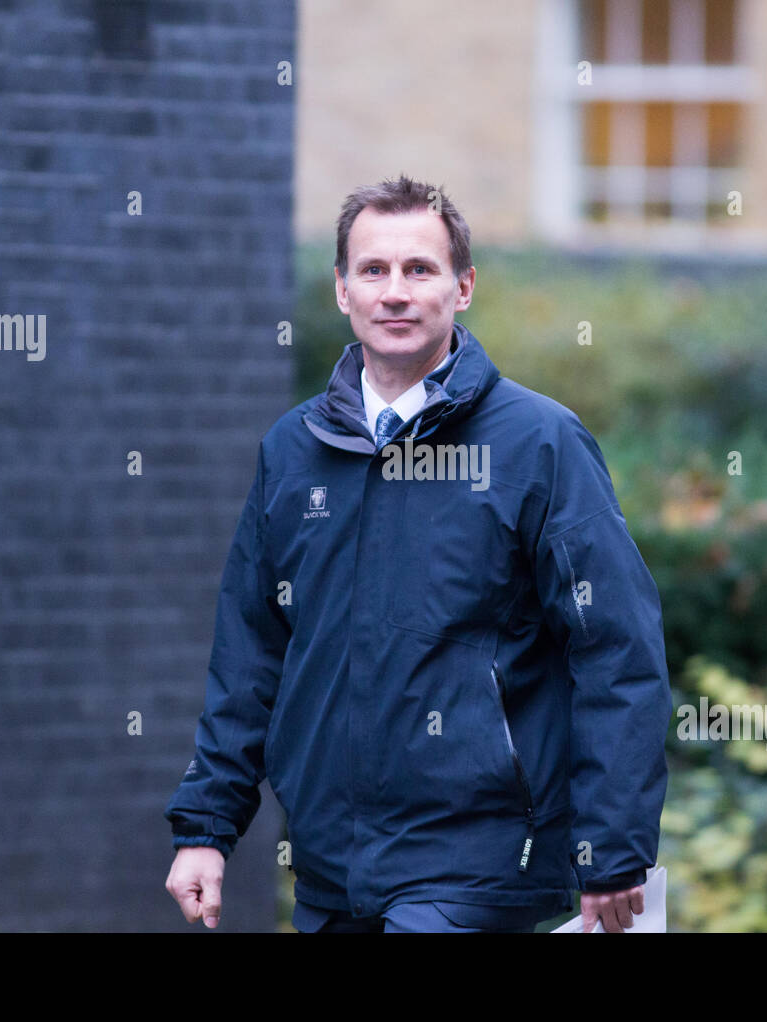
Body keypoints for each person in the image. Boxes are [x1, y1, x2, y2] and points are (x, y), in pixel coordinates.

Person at [164, 174, 672, 933]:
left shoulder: (540, 444)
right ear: (342, 291)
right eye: (373, 270)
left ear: (463, 286)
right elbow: (250, 656)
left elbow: (616, 653)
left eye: (419, 270)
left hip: (479, 865)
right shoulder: (293, 450)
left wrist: (611, 847)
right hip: (331, 870)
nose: (394, 292)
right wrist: (206, 827)